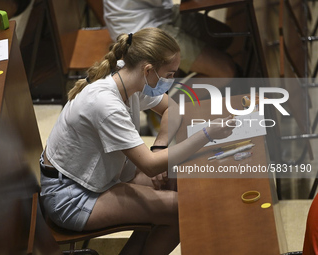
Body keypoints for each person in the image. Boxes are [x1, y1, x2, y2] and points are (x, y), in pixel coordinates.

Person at [40, 27, 235, 255]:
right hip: (71, 196)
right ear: (149, 70)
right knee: (184, 208)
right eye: (170, 74)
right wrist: (207, 134)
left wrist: (160, 145)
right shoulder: (106, 104)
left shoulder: (131, 80)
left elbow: (173, 110)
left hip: (101, 176)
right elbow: (150, 165)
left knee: (178, 183)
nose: (172, 80)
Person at [103, 0, 238, 98]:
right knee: (225, 71)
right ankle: (168, 106)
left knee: (223, 36)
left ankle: (169, 79)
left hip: (157, 11)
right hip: (139, 27)